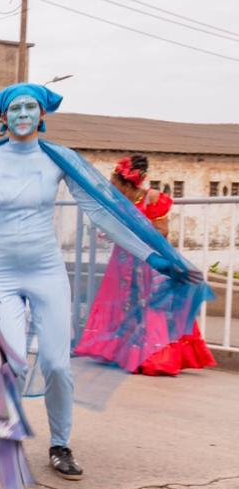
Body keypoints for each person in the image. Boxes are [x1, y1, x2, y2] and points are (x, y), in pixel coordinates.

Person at [0, 84, 210, 480]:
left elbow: (102, 212)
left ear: (42, 115)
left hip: (46, 272)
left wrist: (156, 258)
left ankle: (60, 444)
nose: (23, 114)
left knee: (57, 364)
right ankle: (5, 435)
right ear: (3, 117)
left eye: (31, 107)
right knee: (11, 361)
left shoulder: (58, 159)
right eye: (15, 108)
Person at [74, 154, 216, 376]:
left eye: (114, 183)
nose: (111, 187)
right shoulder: (118, 203)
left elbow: (163, 231)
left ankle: (153, 356)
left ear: (126, 183)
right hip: (124, 261)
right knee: (124, 303)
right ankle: (123, 353)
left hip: (150, 263)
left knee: (152, 305)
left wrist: (136, 229)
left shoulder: (152, 198)